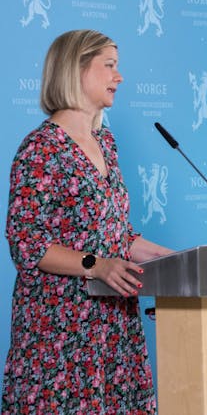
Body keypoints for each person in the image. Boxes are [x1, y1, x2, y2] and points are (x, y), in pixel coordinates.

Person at [2, 29, 174, 414]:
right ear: (75, 71)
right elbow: (28, 244)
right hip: (61, 334)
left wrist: (174, 261)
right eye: (109, 65)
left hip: (114, 329)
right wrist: (97, 266)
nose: (120, 76)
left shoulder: (106, 143)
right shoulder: (41, 148)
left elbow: (113, 233)